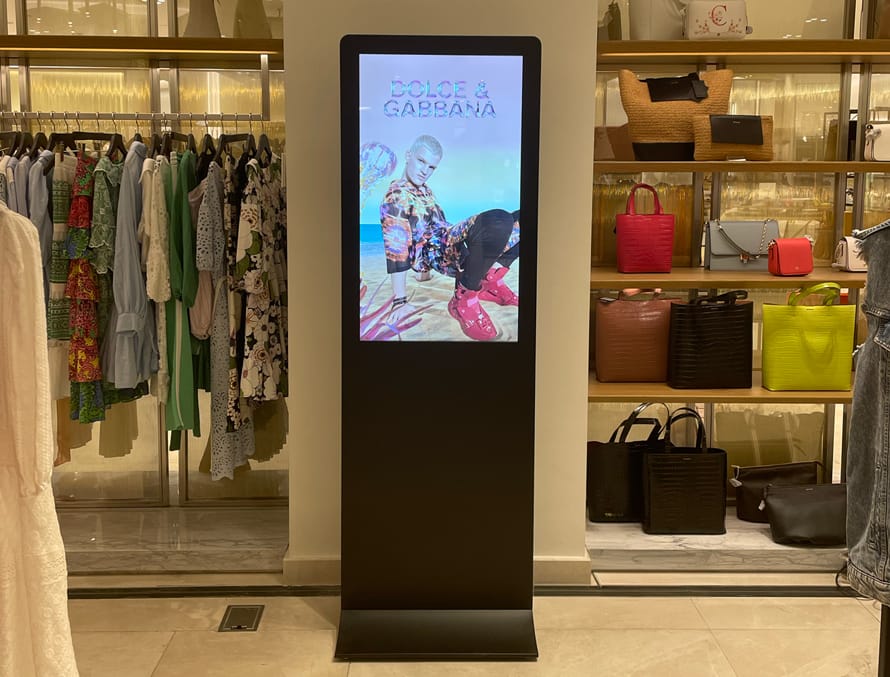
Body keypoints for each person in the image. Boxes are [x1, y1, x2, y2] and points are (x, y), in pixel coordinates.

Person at [379, 134, 520, 340]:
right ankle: (463, 300)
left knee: (522, 217)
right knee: (499, 219)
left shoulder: (424, 190)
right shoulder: (395, 198)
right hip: (446, 252)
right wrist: (399, 301)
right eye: (421, 161)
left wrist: (423, 274)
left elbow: (430, 229)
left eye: (431, 167)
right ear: (408, 155)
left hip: (449, 242)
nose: (425, 171)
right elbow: (396, 249)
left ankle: (489, 280)